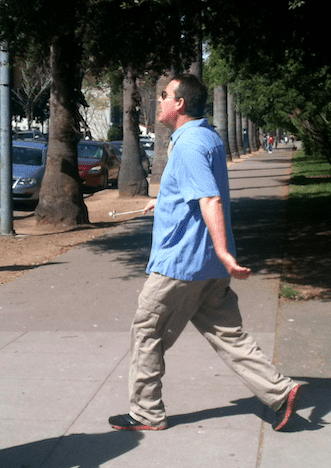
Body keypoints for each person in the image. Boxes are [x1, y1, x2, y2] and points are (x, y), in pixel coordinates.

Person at [109, 74, 301, 433]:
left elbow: (210, 198)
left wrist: (224, 252)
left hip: (181, 265)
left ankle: (146, 413)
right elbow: (196, 187)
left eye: (164, 95)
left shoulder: (190, 144)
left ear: (180, 103)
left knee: (147, 332)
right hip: (207, 266)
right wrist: (164, 200)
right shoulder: (206, 136)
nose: (159, 100)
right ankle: (280, 392)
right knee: (228, 334)